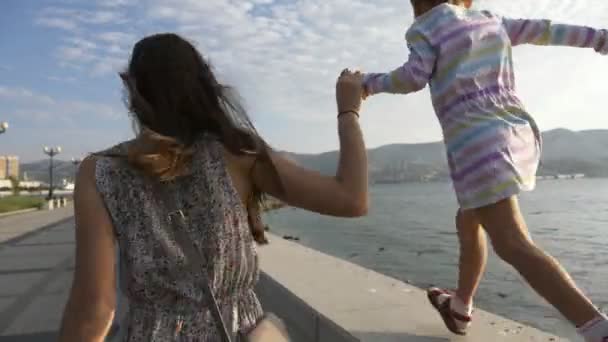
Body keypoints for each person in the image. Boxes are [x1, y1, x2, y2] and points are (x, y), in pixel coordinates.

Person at [58, 33, 368, 341]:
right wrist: (348, 113)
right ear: (205, 85)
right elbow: (350, 199)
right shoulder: (238, 154)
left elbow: (95, 308)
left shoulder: (100, 171)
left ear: (133, 90)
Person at [358, 0, 608, 340]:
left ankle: (595, 327)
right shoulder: (492, 19)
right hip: (517, 131)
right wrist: (600, 38)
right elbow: (548, 30)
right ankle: (460, 309)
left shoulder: (424, 28)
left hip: (477, 145)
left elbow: (413, 77)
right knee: (468, 218)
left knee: (512, 243)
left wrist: (368, 84)